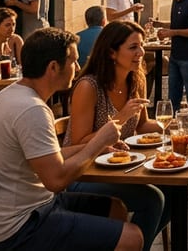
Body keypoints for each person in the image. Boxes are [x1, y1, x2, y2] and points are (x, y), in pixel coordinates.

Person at [0, 28, 144, 251]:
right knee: (132, 238)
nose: (78, 68)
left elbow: (49, 157)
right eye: (73, 61)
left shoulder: (15, 95)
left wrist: (96, 147)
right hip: (17, 228)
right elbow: (56, 180)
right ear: (53, 67)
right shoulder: (31, 109)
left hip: (34, 208)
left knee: (115, 210)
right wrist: (96, 143)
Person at [63, 21, 170, 250]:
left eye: (141, 46)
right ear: (112, 52)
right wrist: (120, 118)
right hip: (82, 174)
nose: (141, 52)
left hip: (119, 168)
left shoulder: (135, 79)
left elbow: (142, 127)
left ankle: (137, 244)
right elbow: (78, 142)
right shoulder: (88, 86)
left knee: (173, 191)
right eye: (133, 47)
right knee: (153, 199)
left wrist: (168, 128)